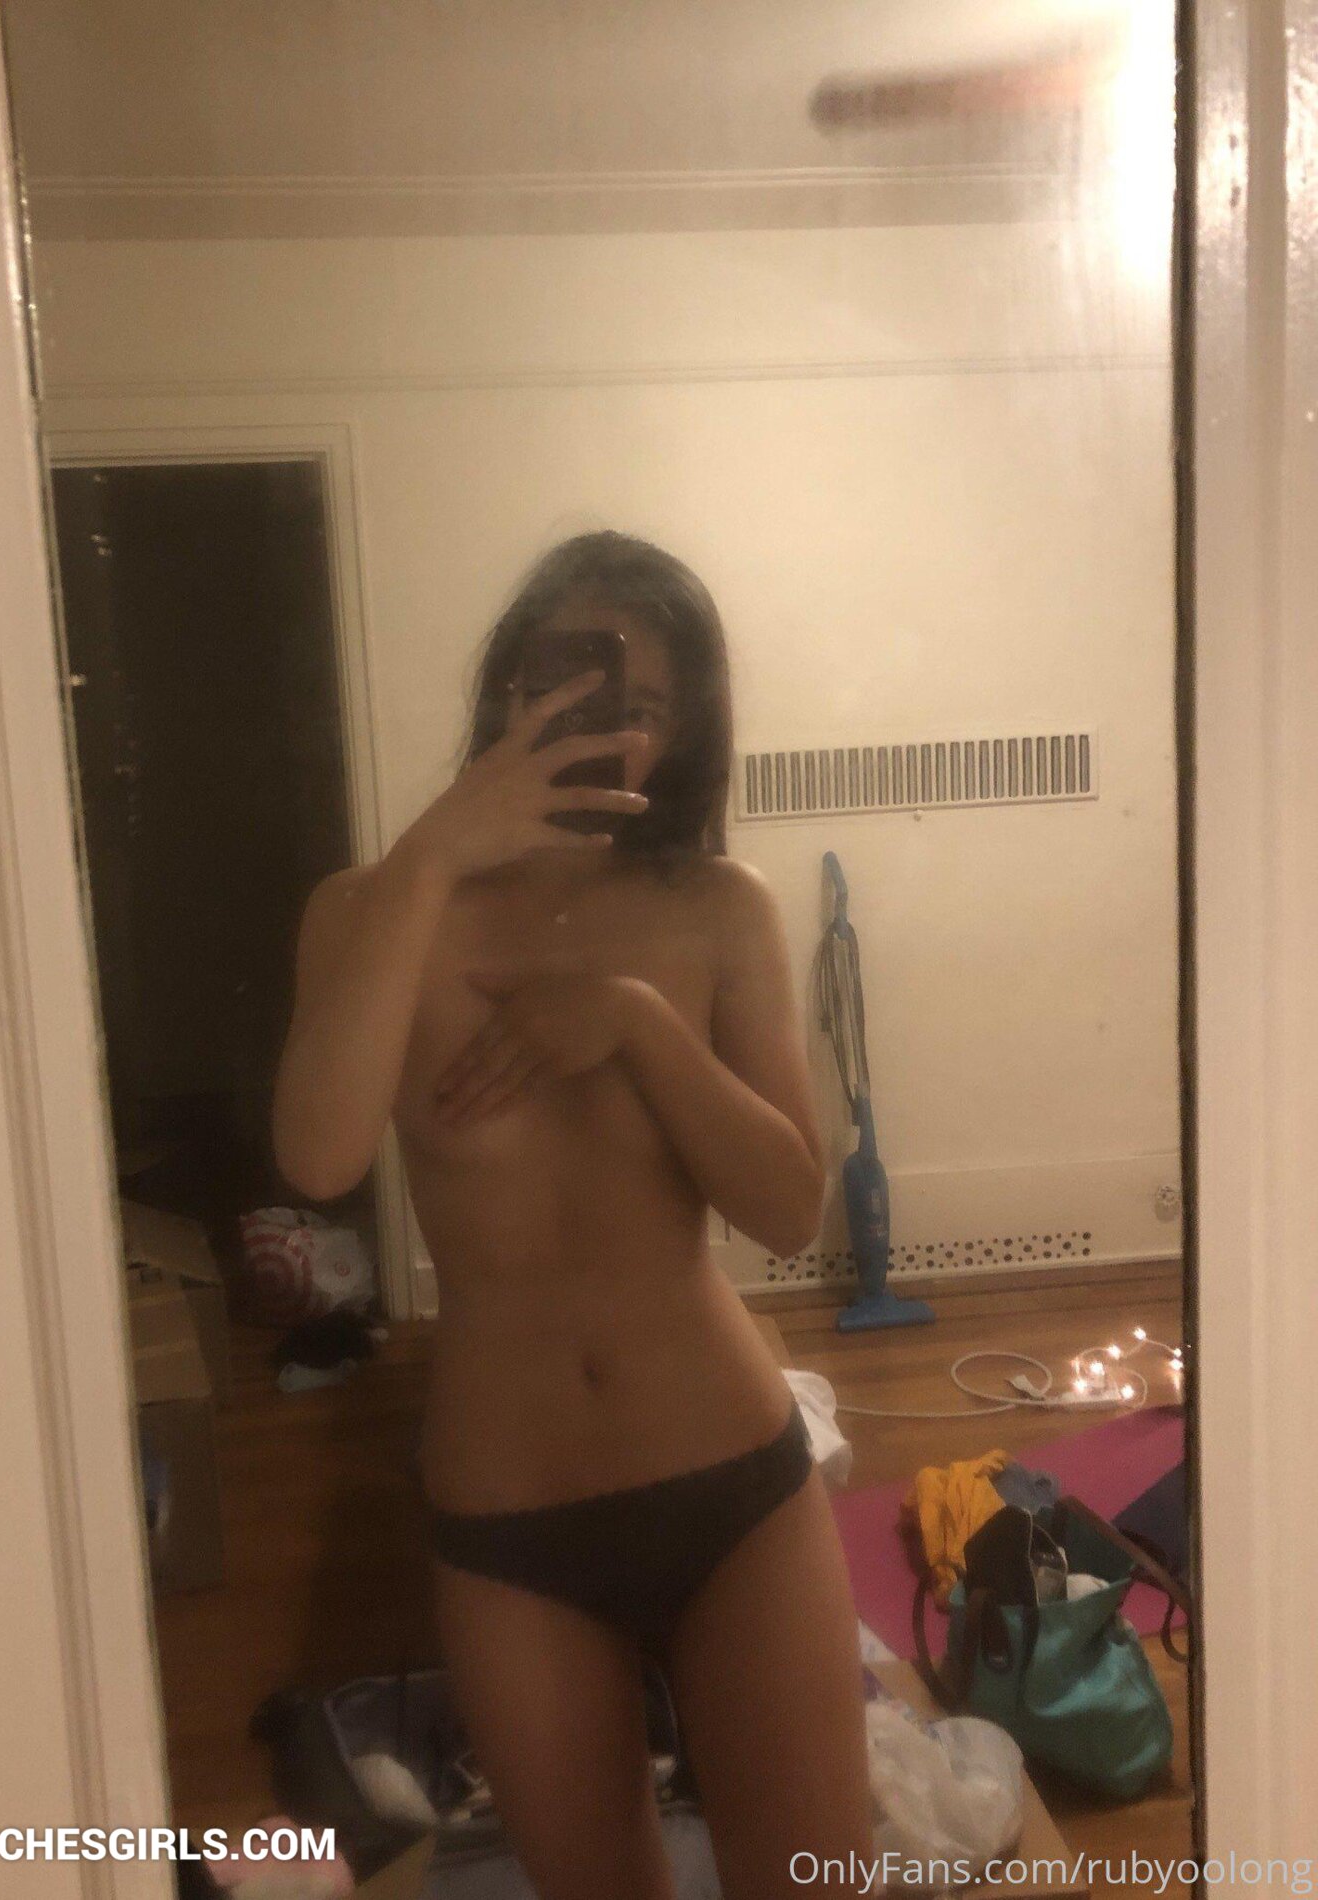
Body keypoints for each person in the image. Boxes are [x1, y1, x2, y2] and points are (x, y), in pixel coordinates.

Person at [272, 532, 871, 1899]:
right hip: (510, 1524)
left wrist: (638, 1026)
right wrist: (435, 852)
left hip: (734, 1488)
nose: (604, 728)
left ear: (685, 734)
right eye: (567, 685)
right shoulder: (370, 911)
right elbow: (316, 1155)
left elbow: (788, 1210)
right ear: (505, 690)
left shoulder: (718, 909)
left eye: (643, 705)